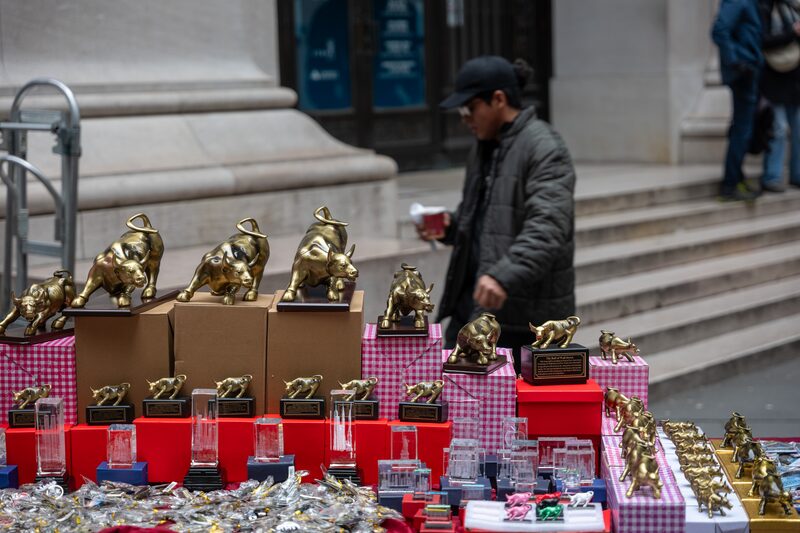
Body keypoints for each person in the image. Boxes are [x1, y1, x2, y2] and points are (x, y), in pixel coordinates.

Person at [417, 55, 576, 372]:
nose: (465, 119)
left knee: (510, 405)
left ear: (498, 99)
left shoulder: (544, 147)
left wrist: (503, 276)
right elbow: (484, 219)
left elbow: (548, 228)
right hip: (473, 310)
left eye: (470, 108)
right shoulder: (483, 146)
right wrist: (450, 226)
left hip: (523, 320)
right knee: (453, 394)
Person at [712, 0, 764, 201]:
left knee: (742, 128)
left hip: (749, 70)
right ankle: (731, 183)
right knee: (742, 129)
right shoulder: (738, 1)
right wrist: (736, 61)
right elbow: (719, 30)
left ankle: (736, 178)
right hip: (743, 72)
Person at [759, 0, 800, 192]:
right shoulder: (765, 8)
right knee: (779, 129)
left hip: (794, 80)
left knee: (798, 128)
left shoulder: (792, 8)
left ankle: (797, 174)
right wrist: (792, 33)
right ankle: (772, 177)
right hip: (774, 80)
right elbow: (763, 40)